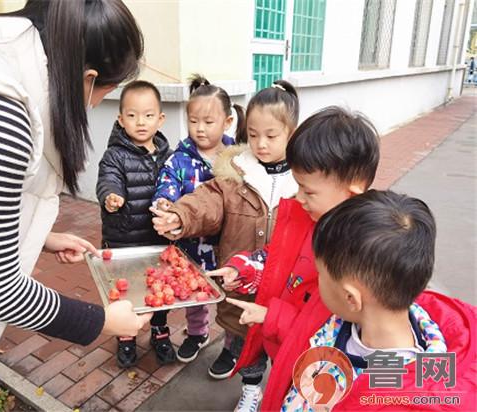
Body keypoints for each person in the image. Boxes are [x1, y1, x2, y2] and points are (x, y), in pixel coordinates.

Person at [0, 1, 152, 409]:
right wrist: (101, 320)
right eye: (106, 92)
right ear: (88, 79)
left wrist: (40, 236)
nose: (98, 104)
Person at [230, 191, 477, 411]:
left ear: (351, 297)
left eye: (321, 276)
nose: (317, 284)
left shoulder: (403, 401)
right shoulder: (351, 319)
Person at [216, 106, 380, 411]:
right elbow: (277, 262)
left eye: (309, 190)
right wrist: (244, 269)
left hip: (316, 367)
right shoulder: (304, 218)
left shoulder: (361, 255)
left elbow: (330, 330)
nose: (299, 197)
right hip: (284, 347)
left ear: (352, 190)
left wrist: (271, 317)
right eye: (298, 186)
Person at [152, 80, 300, 412]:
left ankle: (285, 391)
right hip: (242, 288)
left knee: (285, 344)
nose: (260, 144)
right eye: (255, 134)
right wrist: (179, 216)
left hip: (287, 290)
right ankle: (250, 389)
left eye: (271, 136)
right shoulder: (235, 172)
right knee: (243, 339)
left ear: (292, 132)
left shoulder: (306, 181)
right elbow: (206, 201)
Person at [151, 74, 242, 365]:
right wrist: (165, 204)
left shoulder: (238, 159)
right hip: (192, 246)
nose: (199, 129)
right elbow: (166, 186)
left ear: (227, 122)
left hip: (228, 246)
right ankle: (197, 333)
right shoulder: (178, 159)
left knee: (231, 299)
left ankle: (231, 345)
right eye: (194, 121)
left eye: (209, 122)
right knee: (195, 293)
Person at [96, 80, 174, 368]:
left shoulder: (169, 156)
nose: (140, 122)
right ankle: (125, 337)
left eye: (148, 115)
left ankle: (159, 331)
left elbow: (176, 188)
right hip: (123, 240)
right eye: (132, 115)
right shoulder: (114, 155)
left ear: (160, 118)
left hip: (158, 241)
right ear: (120, 119)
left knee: (159, 289)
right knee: (126, 291)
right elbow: (108, 180)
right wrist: (111, 196)